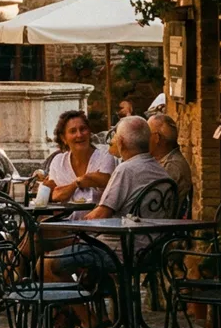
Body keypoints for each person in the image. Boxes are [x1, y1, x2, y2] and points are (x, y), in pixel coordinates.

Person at [45, 116, 171, 281]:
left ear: (122, 143)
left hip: (118, 251)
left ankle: (81, 307)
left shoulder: (125, 170)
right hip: (153, 250)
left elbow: (99, 215)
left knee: (46, 264)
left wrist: (72, 227)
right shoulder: (161, 171)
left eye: (115, 137)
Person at [32, 110, 115, 203]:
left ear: (89, 132)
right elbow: (56, 196)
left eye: (83, 129)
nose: (79, 135)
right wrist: (76, 184)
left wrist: (70, 189)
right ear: (64, 138)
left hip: (100, 217)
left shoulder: (104, 155)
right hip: (65, 217)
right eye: (73, 131)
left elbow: (105, 180)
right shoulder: (58, 162)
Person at [147, 112, 191, 206]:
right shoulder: (164, 160)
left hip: (161, 219)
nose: (144, 138)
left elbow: (154, 203)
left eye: (147, 133)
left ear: (156, 138)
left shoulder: (171, 166)